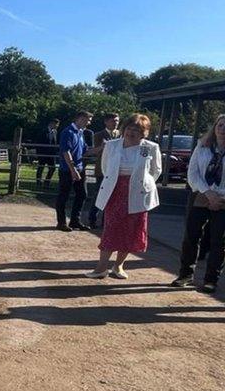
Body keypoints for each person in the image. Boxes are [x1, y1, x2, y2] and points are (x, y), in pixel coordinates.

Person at [85, 114, 161, 279]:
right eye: (129, 128)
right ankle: (101, 267)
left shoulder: (150, 147)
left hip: (138, 194)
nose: (131, 132)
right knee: (111, 228)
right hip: (116, 191)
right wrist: (118, 182)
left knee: (131, 231)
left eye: (137, 130)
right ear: (124, 129)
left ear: (144, 133)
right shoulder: (112, 146)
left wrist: (142, 184)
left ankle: (118, 266)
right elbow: (106, 168)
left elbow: (156, 171)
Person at [170, 113, 225, 293]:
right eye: (220, 125)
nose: (223, 129)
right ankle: (185, 274)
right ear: (215, 127)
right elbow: (192, 174)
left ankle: (211, 279)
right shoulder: (202, 147)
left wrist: (218, 197)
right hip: (200, 194)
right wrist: (209, 193)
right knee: (191, 237)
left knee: (219, 241)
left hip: (223, 199)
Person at [55, 111, 94, 231]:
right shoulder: (68, 132)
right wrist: (72, 169)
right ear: (80, 119)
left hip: (79, 168)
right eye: (88, 120)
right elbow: (65, 152)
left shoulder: (80, 133)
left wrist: (102, 148)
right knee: (64, 195)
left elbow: (85, 151)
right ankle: (61, 222)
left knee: (82, 194)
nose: (89, 122)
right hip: (67, 169)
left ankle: (74, 221)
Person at [87, 113, 121, 228]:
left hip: (115, 170)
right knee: (99, 194)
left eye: (117, 121)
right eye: (113, 121)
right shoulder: (99, 135)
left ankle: (106, 221)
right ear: (106, 122)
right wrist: (103, 146)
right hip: (102, 169)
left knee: (112, 196)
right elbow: (95, 151)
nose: (115, 123)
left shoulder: (120, 134)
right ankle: (92, 218)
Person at [36, 119, 60, 187]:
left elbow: (54, 142)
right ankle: (38, 182)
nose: (57, 126)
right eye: (56, 124)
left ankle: (47, 182)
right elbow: (38, 142)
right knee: (41, 168)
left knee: (52, 168)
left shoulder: (55, 132)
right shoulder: (43, 131)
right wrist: (38, 154)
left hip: (51, 154)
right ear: (51, 123)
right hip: (43, 154)